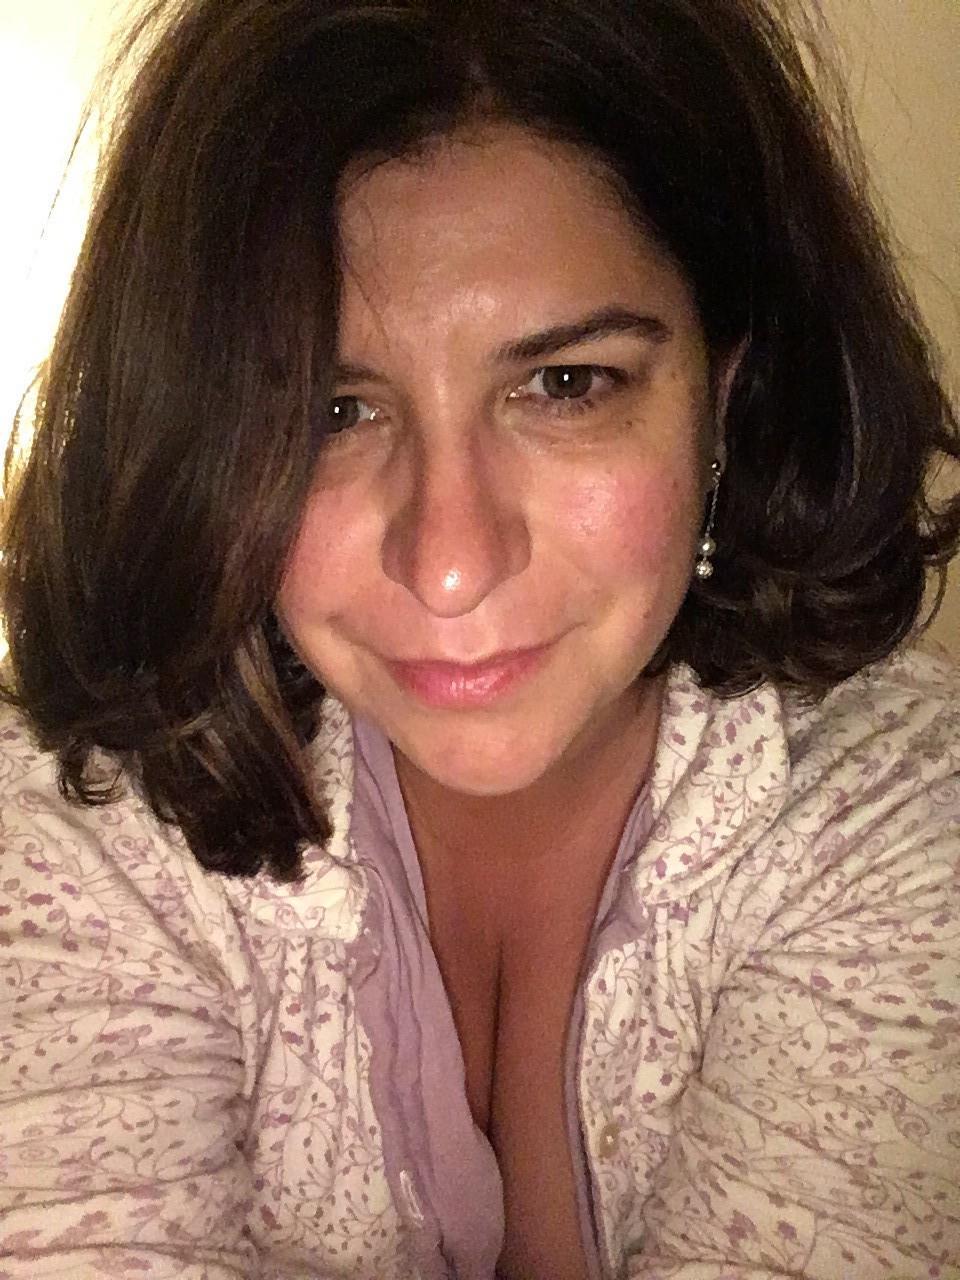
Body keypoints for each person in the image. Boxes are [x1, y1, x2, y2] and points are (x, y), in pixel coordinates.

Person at [1, 0, 958, 1276]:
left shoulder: (896, 815)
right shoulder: (88, 821)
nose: (450, 560)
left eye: (566, 384)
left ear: (725, 399)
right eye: (332, 411)